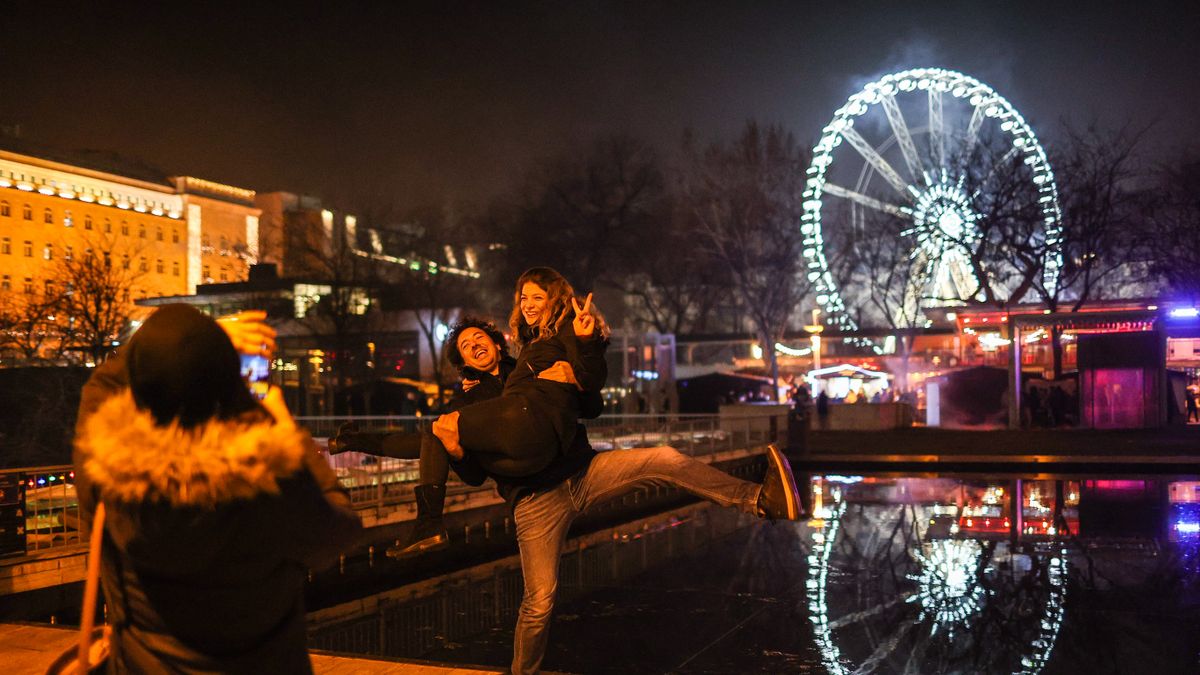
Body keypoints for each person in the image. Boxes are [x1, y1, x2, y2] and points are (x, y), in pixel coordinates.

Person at [74, 305, 361, 673]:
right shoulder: (271, 482)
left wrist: (183, 346)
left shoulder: (110, 472)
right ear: (230, 384)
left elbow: (102, 384)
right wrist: (287, 433)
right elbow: (340, 530)